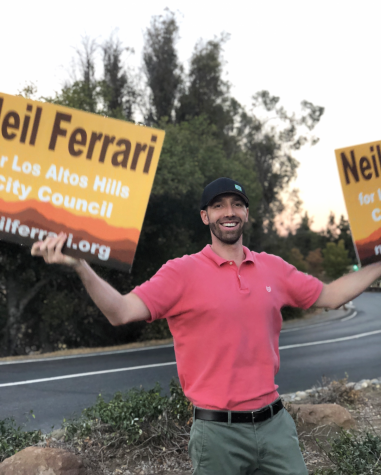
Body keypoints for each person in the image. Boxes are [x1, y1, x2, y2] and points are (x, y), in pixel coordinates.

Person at [31, 177, 381, 475]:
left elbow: (332, 295)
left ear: (246, 214)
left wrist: (379, 264)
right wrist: (81, 267)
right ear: (205, 216)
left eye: (236, 204)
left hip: (275, 426)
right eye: (218, 206)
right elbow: (120, 311)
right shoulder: (180, 272)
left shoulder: (273, 268)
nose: (228, 212)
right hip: (217, 434)